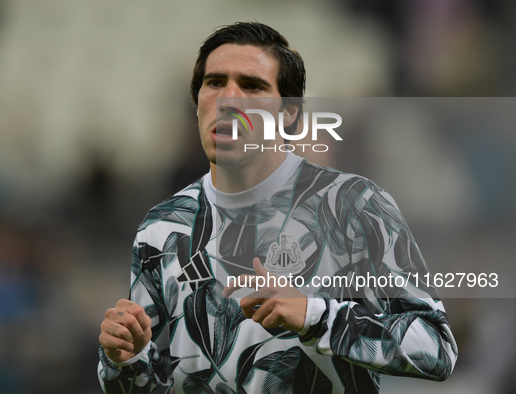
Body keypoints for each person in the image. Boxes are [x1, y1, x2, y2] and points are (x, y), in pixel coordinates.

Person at [98, 22, 458, 393]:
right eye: (215, 82)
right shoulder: (161, 228)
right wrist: (122, 359)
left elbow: (437, 348)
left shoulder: (353, 206)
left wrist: (314, 316)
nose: (228, 99)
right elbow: (145, 386)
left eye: (252, 85)